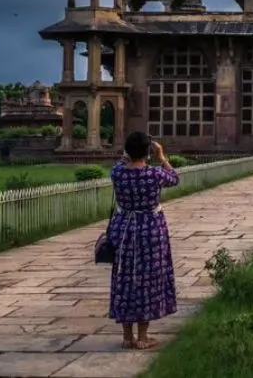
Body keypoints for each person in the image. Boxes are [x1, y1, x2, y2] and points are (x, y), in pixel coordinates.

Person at [107, 131, 180, 349]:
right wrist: (161, 156)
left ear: (127, 151)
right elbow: (175, 178)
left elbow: (122, 161)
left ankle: (127, 336)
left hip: (124, 230)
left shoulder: (117, 173)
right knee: (147, 279)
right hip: (150, 230)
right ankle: (143, 337)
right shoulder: (154, 174)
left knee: (125, 277)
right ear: (147, 152)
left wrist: (129, 152)